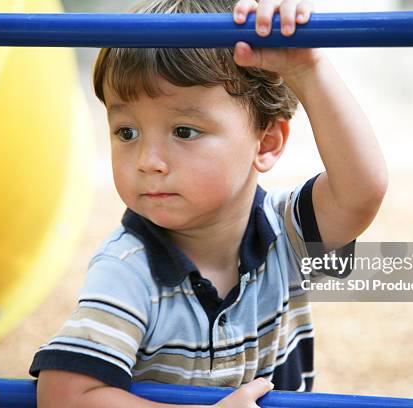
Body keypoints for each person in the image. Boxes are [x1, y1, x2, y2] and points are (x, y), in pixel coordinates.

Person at [29, 0, 387, 406]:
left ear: (266, 142)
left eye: (184, 131)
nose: (148, 162)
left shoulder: (285, 232)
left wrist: (309, 72)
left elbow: (362, 192)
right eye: (126, 132)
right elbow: (64, 394)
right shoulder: (128, 269)